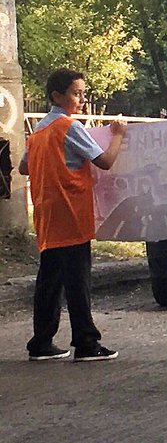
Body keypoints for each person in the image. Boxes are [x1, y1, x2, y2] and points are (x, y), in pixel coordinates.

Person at [20, 68, 126, 361]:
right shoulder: (69, 128)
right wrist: (117, 135)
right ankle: (86, 342)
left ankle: (41, 341)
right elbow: (104, 161)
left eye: (82, 92)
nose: (81, 99)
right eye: (76, 93)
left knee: (49, 281)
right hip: (72, 213)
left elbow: (23, 168)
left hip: (47, 215)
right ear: (58, 96)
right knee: (78, 281)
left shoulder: (38, 131)